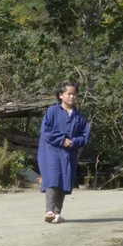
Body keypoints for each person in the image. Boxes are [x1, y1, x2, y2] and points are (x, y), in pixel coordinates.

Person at [38, 80, 90, 224]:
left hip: (68, 153)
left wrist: (73, 142)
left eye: (74, 94)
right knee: (53, 178)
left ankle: (57, 213)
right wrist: (62, 140)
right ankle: (49, 210)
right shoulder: (52, 111)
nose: (72, 97)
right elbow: (46, 131)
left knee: (64, 180)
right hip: (51, 151)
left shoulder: (78, 116)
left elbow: (85, 136)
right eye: (69, 94)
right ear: (61, 95)